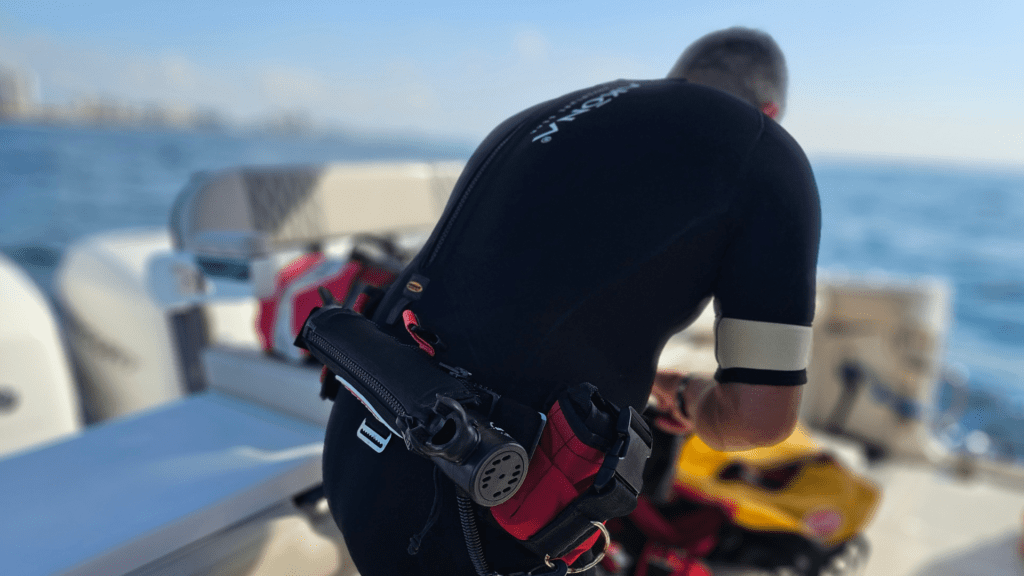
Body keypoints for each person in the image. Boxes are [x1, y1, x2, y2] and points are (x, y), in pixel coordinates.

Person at [319, 25, 819, 576]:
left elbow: (520, 304)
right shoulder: (766, 154)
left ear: (678, 79)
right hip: (477, 499)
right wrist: (698, 399)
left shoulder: (550, 115)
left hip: (363, 439)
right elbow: (759, 420)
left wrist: (654, 381)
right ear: (769, 110)